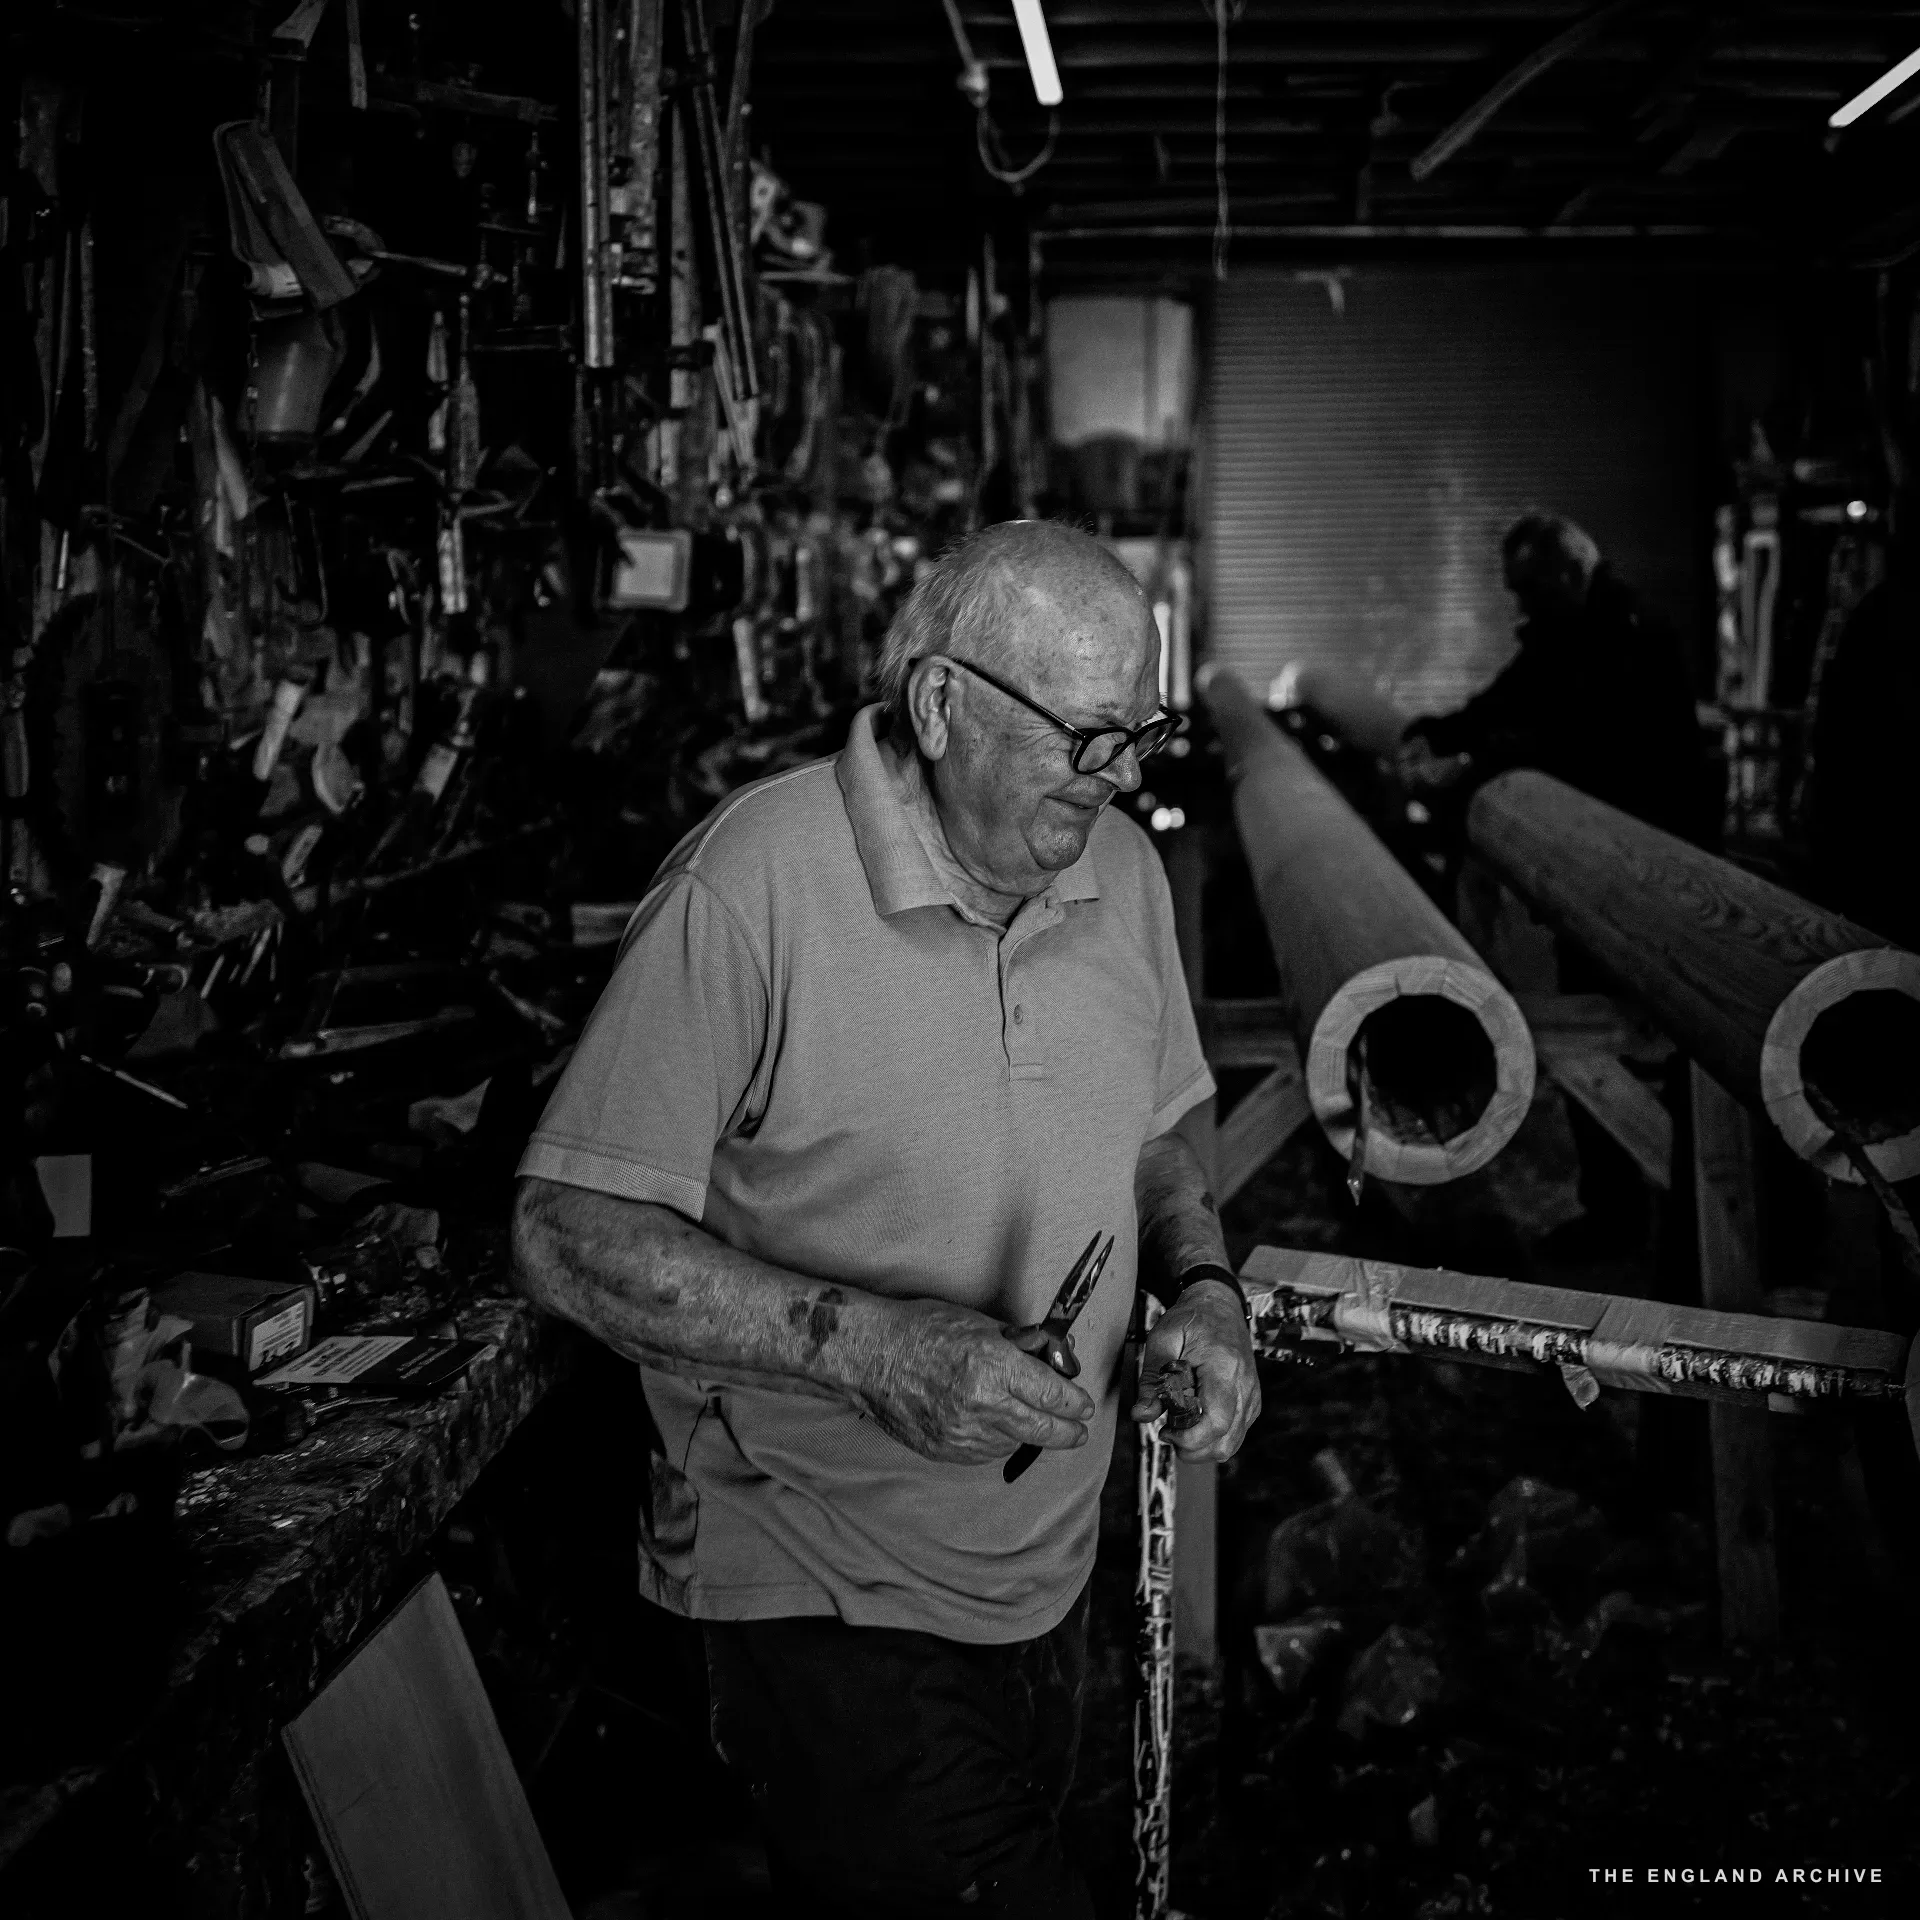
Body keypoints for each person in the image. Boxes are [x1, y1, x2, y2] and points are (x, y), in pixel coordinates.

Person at [511, 519, 1260, 1918]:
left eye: (1139, 728)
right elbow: (566, 1232)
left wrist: (1203, 1288)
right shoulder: (754, 886)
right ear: (942, 706)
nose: (1126, 776)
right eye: (1087, 736)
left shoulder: (1126, 877)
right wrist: (875, 1354)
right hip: (808, 1576)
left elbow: (1155, 1133)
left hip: (1041, 1572)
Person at [1395, 513, 1712, 844]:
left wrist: (1471, 763)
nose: (1521, 606)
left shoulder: (1629, 636)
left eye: (1531, 588)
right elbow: (1499, 704)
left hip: (1645, 844)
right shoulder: (1563, 628)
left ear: (1571, 574)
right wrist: (1428, 736)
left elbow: (1574, 746)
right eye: (1517, 590)